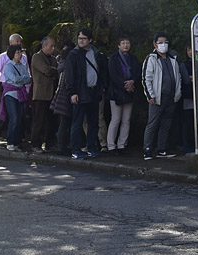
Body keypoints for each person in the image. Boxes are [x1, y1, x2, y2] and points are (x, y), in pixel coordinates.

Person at [65, 27, 109, 158]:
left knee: (93, 122)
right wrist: (72, 92)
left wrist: (102, 87)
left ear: (90, 39)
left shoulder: (96, 53)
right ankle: (76, 149)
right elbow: (70, 75)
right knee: (77, 122)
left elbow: (102, 72)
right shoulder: (73, 55)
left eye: (84, 38)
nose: (81, 41)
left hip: (94, 91)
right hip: (80, 92)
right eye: (79, 38)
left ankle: (91, 147)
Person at [142, 33, 183, 160]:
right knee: (152, 124)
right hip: (157, 98)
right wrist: (150, 95)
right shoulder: (152, 59)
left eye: (165, 42)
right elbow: (146, 78)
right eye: (160, 42)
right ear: (155, 44)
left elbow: (178, 77)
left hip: (171, 98)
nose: (163, 45)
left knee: (166, 124)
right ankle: (147, 149)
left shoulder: (173, 59)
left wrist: (178, 93)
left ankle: (162, 149)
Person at [107, 35, 142, 155]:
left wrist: (132, 82)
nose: (126, 45)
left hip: (130, 91)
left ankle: (122, 144)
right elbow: (113, 75)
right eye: (123, 43)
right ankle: (111, 145)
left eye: (127, 43)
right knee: (116, 119)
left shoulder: (133, 58)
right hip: (116, 92)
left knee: (126, 120)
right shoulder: (113, 58)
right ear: (118, 45)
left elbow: (138, 72)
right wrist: (125, 86)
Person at [0, 45, 32, 151]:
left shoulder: (22, 66)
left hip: (21, 94)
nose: (20, 55)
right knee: (14, 118)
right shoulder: (8, 66)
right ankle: (10, 142)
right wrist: (23, 78)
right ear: (12, 54)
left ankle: (16, 142)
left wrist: (21, 79)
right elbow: (13, 79)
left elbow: (29, 79)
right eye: (17, 52)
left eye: (20, 52)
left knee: (20, 118)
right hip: (11, 94)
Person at [30, 37, 59, 152]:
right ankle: (35, 144)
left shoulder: (52, 59)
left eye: (54, 46)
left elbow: (56, 70)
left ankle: (50, 143)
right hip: (41, 94)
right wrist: (54, 71)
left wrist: (53, 71)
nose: (53, 48)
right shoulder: (37, 57)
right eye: (51, 46)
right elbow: (46, 70)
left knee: (51, 120)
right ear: (43, 46)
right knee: (39, 120)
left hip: (52, 93)